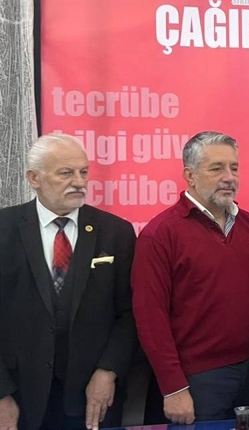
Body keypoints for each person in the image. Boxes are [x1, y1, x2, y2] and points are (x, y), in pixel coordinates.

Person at [132, 132, 249, 425]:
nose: (229, 177)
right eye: (216, 168)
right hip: (196, 379)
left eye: (234, 168)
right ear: (190, 175)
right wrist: (173, 387)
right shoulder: (160, 234)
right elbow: (150, 319)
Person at [0, 134, 137, 430]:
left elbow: (129, 313)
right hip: (19, 397)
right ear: (34, 178)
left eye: (83, 172)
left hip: (93, 396)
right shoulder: (4, 229)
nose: (79, 182)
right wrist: (1, 393)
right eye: (66, 173)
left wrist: (108, 370)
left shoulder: (116, 232)